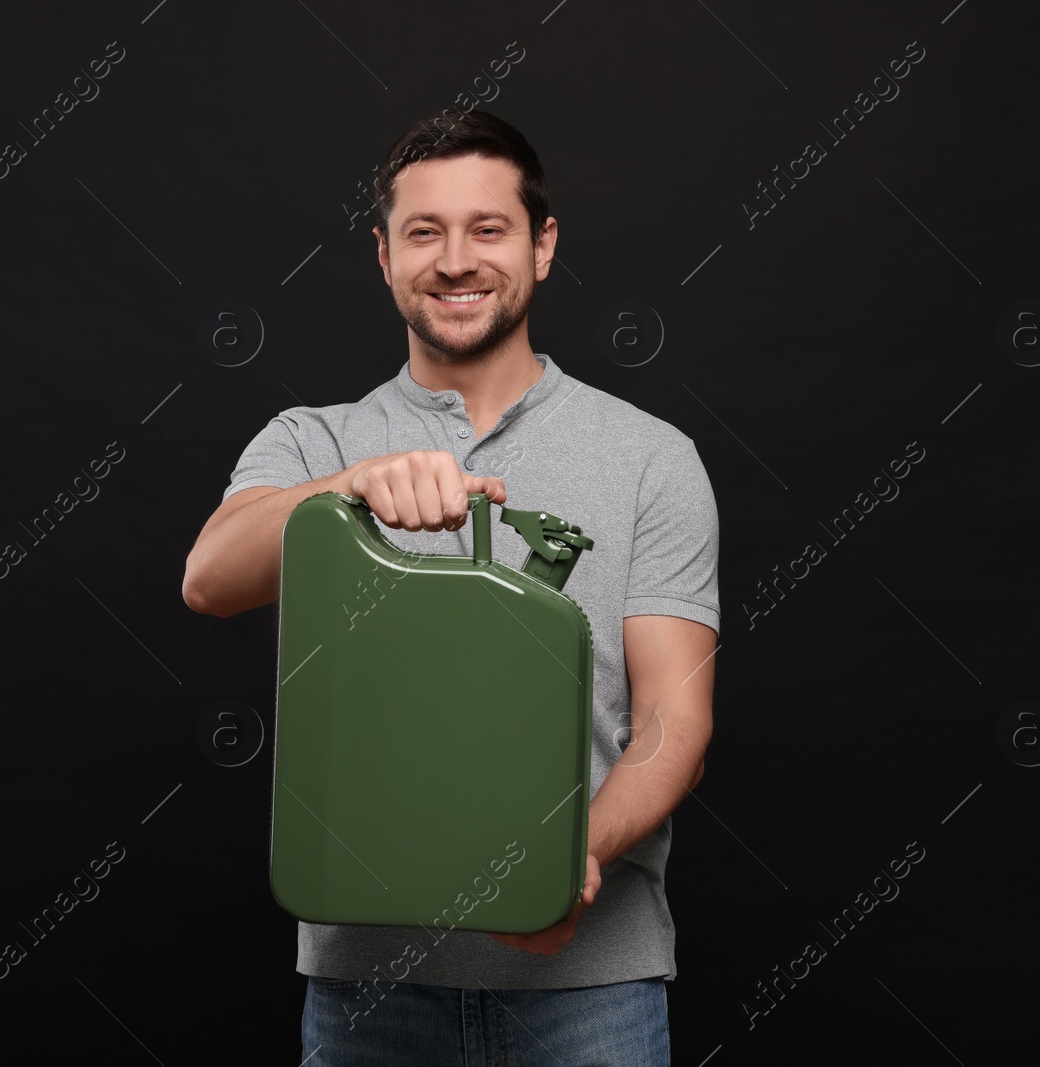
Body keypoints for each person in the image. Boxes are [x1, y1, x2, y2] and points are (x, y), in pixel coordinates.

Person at [182, 110, 720, 1066]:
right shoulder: (314, 440)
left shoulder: (651, 459)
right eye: (424, 233)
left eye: (488, 229)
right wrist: (346, 490)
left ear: (542, 246)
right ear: (384, 255)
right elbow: (210, 578)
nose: (455, 260)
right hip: (369, 988)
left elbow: (675, 721)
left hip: (590, 989)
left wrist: (561, 869)